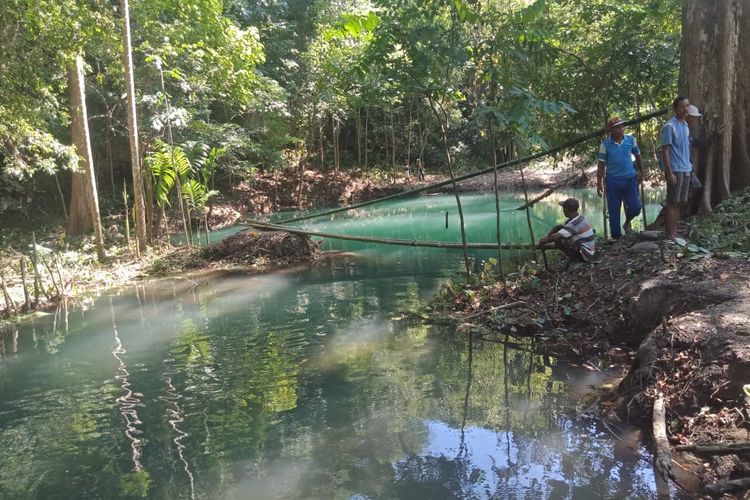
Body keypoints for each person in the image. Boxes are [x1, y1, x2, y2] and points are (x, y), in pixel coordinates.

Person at [597, 116, 643, 238]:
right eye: (616, 127)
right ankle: (616, 238)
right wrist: (599, 183)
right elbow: (601, 165)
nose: (620, 129)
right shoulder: (605, 145)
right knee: (614, 212)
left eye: (621, 126)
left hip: (630, 180)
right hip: (613, 181)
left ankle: (627, 222)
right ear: (610, 130)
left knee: (636, 207)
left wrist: (641, 171)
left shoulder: (630, 140)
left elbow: (637, 155)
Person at [660, 96, 692, 240]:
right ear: (676, 109)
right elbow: (665, 151)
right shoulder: (669, 126)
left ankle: (675, 232)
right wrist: (670, 172)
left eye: (687, 105)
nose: (685, 109)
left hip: (686, 168)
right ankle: (670, 235)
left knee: (680, 202)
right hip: (676, 169)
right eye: (682, 106)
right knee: (672, 203)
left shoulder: (685, 125)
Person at [539, 198, 596, 267]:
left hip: (586, 254)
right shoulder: (580, 218)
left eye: (563, 208)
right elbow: (559, 227)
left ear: (567, 210)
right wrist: (547, 236)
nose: (562, 210)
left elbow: (556, 236)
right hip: (589, 250)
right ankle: (574, 257)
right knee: (560, 227)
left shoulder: (574, 223)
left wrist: (544, 241)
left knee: (558, 239)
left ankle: (576, 258)